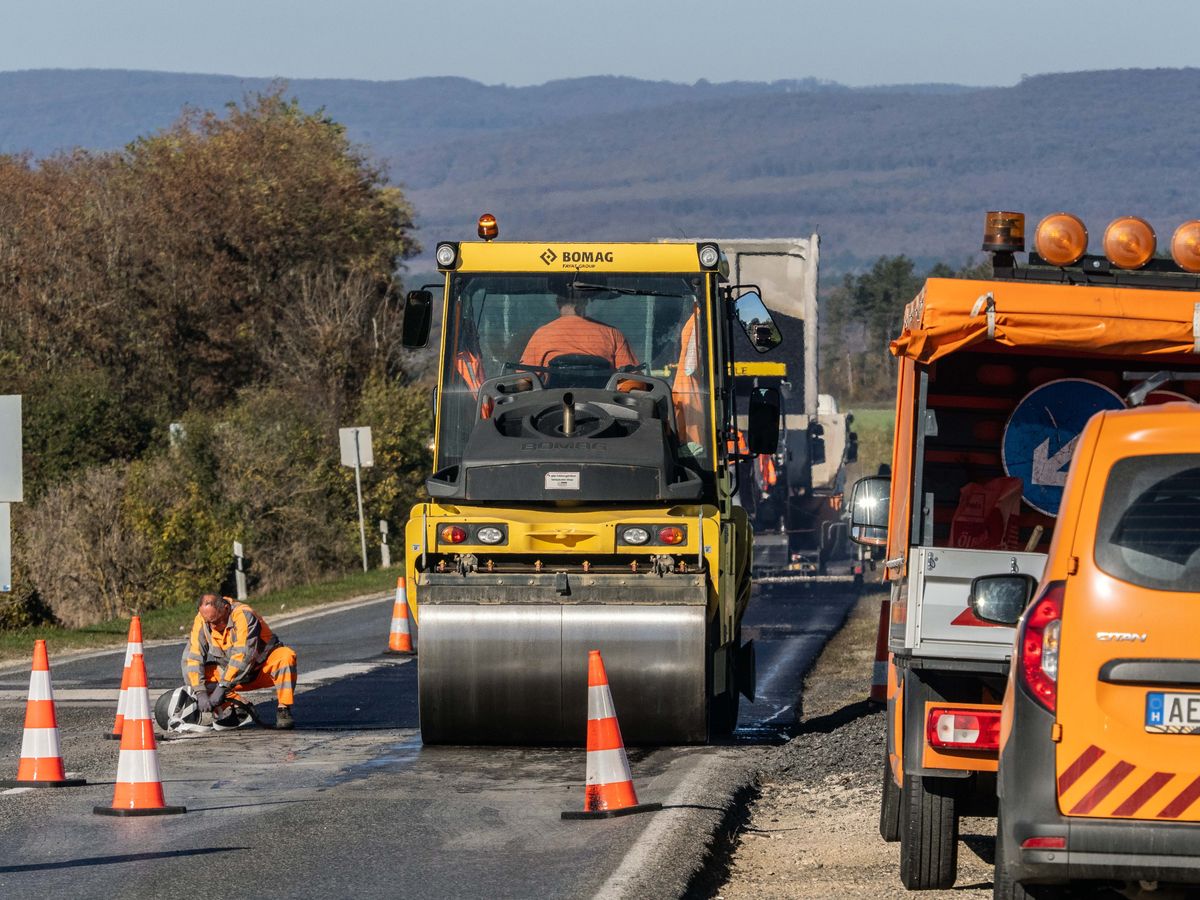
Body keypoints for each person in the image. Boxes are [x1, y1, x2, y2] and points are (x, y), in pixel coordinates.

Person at [181, 593, 298, 730]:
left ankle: (283, 709)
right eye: (209, 622)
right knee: (196, 676)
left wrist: (222, 687)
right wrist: (200, 692)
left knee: (285, 656)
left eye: (217, 621)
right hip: (232, 677)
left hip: (261, 670)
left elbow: (243, 656)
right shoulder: (203, 619)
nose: (213, 626)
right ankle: (240, 707)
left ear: (226, 608)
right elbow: (193, 657)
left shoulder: (243, 615)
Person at [520, 294, 638, 372]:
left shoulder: (542, 335)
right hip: (603, 406)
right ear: (585, 302)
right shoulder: (612, 334)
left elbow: (525, 381)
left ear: (557, 303)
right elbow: (630, 381)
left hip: (552, 407)